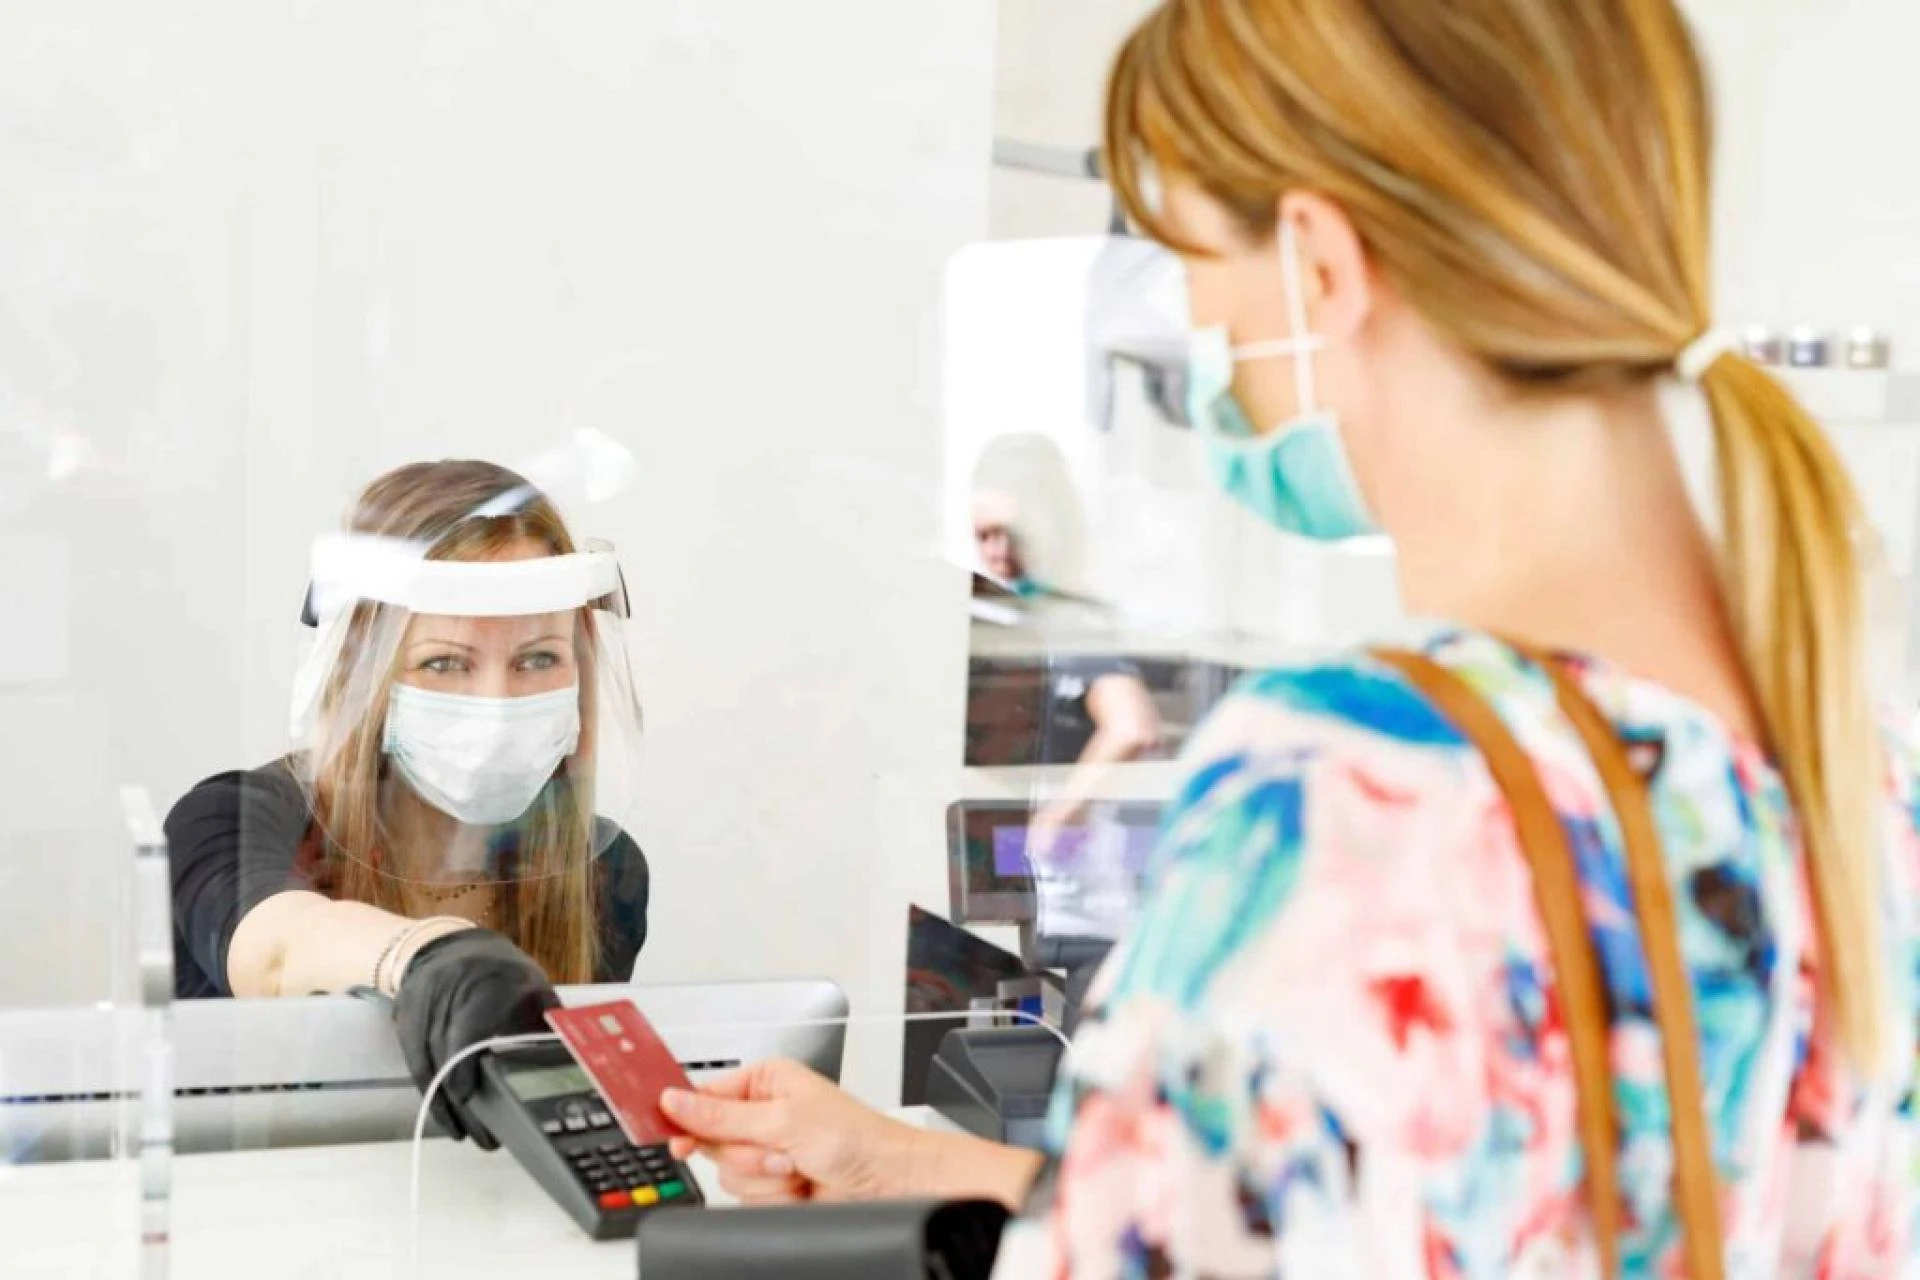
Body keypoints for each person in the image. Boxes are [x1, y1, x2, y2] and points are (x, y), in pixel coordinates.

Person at [660, 1, 1920, 1274]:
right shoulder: (1856, 776)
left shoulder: (1356, 789)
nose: (1201, 342)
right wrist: (911, 1164)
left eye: (1196, 266)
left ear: (1319, 263)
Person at [165, 459, 650, 1148]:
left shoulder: (603, 873)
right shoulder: (233, 820)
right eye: (445, 662)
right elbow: (275, 952)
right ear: (364, 672)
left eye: (538, 659)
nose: (496, 702)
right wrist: (429, 959)